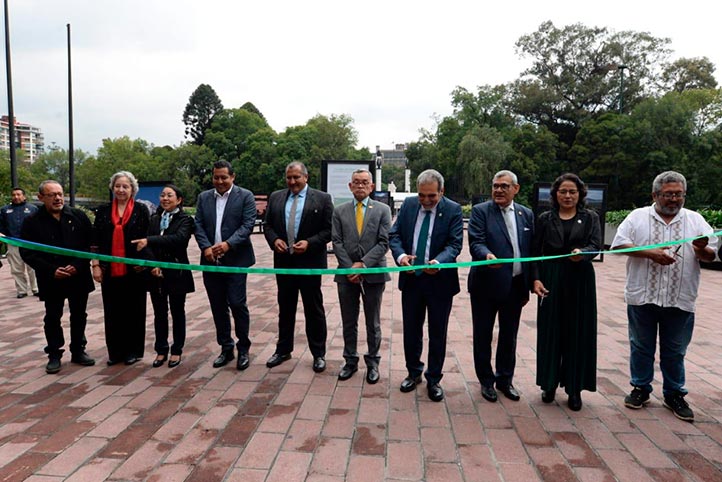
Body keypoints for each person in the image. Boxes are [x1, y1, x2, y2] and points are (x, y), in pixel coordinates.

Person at [612, 171, 717, 422]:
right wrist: (651, 253)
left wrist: (702, 249)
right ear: (655, 195)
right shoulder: (638, 217)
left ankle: (674, 394)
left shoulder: (695, 220)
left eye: (678, 194)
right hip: (643, 294)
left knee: (675, 349)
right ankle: (640, 388)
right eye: (668, 194)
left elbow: (711, 255)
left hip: (679, 297)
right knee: (640, 345)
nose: (673, 199)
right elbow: (618, 245)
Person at [389, 169, 463, 402]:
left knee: (437, 332)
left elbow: (455, 244)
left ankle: (434, 379)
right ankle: (413, 372)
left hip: (440, 283)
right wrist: (401, 258)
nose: (426, 201)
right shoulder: (409, 206)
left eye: (432, 196)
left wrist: (439, 262)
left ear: (441, 191)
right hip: (412, 280)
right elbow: (395, 235)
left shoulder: (452, 210)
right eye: (422, 196)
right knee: (411, 329)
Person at [531, 173, 601, 411]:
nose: (568, 196)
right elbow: (535, 252)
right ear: (555, 194)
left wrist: (583, 253)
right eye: (563, 191)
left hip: (580, 280)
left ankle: (574, 388)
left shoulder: (590, 218)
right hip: (551, 278)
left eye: (572, 191)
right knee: (551, 331)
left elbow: (596, 246)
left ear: (580, 194)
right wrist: (536, 279)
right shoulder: (544, 219)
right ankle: (548, 384)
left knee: (578, 332)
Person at [468, 170, 534, 403]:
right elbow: (476, 241)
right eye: (495, 186)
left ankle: (505, 379)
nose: (498, 190)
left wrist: (529, 283)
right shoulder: (481, 212)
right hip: (485, 284)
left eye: (504, 186)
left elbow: (530, 251)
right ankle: (486, 381)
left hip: (515, 286)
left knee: (509, 335)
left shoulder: (526, 214)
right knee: (483, 335)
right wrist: (486, 255)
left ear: (516, 188)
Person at [263, 161, 333, 373]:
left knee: (314, 309)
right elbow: (267, 225)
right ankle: (283, 349)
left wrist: (310, 243)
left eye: (296, 177)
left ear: (306, 177)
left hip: (310, 263)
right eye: (289, 178)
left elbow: (329, 230)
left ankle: (318, 353)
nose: (292, 182)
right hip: (284, 263)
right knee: (285, 308)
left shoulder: (322, 199)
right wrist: (274, 240)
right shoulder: (276, 197)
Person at [19, 181, 95, 374]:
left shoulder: (78, 216)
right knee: (53, 316)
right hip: (51, 278)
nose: (57, 198)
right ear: (41, 197)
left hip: (77, 275)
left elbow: (90, 244)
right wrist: (51, 270)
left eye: (60, 194)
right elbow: (27, 252)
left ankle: (78, 350)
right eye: (52, 195)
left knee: (79, 315)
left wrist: (78, 265)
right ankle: (54, 353)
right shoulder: (32, 222)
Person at [194, 160, 257, 370]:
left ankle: (244, 348)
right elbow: (199, 225)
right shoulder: (204, 197)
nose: (220, 181)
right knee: (218, 306)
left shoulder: (245, 196)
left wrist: (229, 244)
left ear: (233, 177)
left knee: (237, 304)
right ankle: (226, 347)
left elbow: (248, 224)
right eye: (216, 177)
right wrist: (205, 247)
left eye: (224, 177)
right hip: (211, 261)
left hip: (236, 260)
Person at [332, 169, 391, 384]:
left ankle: (373, 362)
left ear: (372, 187)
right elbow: (336, 241)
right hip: (346, 275)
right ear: (350, 186)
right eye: (356, 182)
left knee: (372, 321)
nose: (360, 186)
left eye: (364, 182)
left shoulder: (383, 210)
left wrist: (363, 264)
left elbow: (384, 242)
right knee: (349, 320)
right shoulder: (339, 211)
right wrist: (350, 268)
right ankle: (350, 360)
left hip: (373, 274)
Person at [91, 171, 151, 366]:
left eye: (125, 186)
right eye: (118, 186)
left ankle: (133, 351)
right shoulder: (103, 211)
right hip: (110, 270)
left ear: (132, 189)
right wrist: (96, 265)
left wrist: (144, 262)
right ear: (112, 187)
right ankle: (115, 352)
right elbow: (95, 241)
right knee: (112, 310)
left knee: (134, 310)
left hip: (135, 270)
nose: (121, 189)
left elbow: (148, 238)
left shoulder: (142, 210)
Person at [132, 185, 195, 368]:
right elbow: (145, 245)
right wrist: (154, 264)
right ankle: (161, 349)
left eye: (170, 195)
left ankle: (177, 350)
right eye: (163, 195)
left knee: (177, 311)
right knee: (159, 312)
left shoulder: (185, 220)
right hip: (155, 272)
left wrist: (150, 240)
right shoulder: (154, 218)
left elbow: (178, 239)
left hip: (177, 272)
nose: (165, 199)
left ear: (179, 199)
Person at [1, 187, 39, 297]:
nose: (16, 197)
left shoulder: (33, 209)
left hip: (30, 243)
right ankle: (22, 290)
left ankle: (36, 289)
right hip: (13, 242)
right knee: (17, 268)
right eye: (14, 195)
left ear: (24, 196)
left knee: (33, 267)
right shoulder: (5, 210)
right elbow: (1, 226)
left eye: (18, 194)